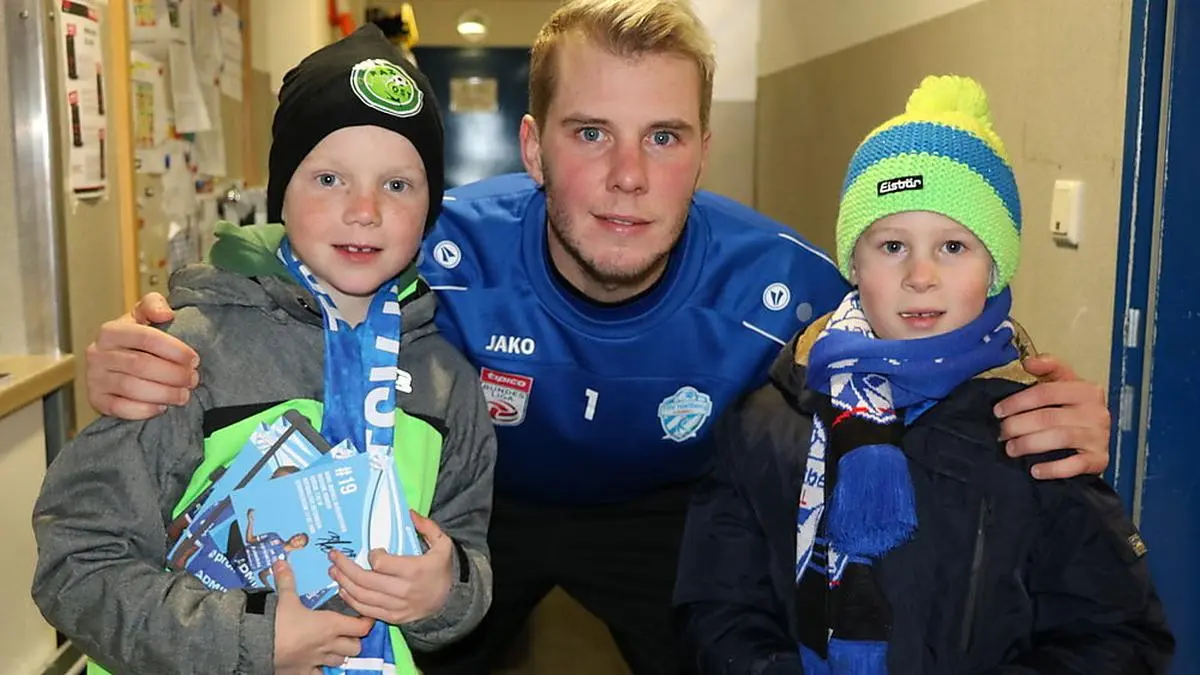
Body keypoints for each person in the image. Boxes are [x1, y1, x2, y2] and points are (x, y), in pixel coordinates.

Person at [81, 1, 1114, 673]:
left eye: (663, 137)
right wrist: (151, 336)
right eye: (590, 134)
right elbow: (291, 270)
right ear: (532, 147)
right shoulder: (437, 245)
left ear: (703, 149)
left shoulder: (784, 281)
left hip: (667, 513)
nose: (628, 177)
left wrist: (1034, 396)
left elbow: (925, 324)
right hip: (482, 512)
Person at [32, 25, 496, 675]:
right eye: (329, 177)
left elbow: (467, 557)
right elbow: (77, 567)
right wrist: (249, 640)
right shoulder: (187, 355)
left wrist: (444, 593)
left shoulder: (449, 385)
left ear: (430, 208)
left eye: (398, 185)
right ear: (282, 193)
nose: (364, 210)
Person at [673, 75, 1173, 674]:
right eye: (892, 247)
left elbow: (1116, 635)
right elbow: (717, 606)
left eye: (953, 247)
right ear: (853, 264)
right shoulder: (769, 419)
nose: (920, 276)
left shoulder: (1035, 428)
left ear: (994, 268)